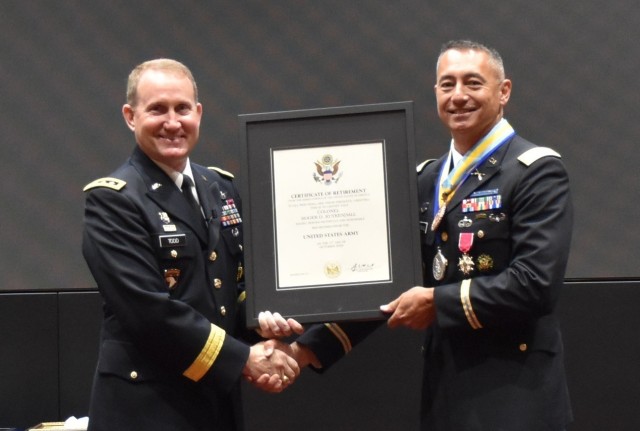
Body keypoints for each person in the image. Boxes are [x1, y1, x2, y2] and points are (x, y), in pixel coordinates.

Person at [276, 40, 574, 430]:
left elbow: (535, 284)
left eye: (473, 83)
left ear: (504, 92)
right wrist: (303, 350)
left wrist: (437, 302)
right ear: (435, 93)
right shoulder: (426, 179)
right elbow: (388, 282)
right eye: (447, 84)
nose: (459, 96)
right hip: (446, 390)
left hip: (516, 394)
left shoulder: (535, 172)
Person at [82, 58, 301, 431]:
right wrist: (244, 359)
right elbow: (150, 314)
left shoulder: (220, 187)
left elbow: (235, 289)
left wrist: (265, 324)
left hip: (215, 404)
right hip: (146, 409)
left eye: (182, 108)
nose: (172, 122)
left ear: (198, 113)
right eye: (157, 110)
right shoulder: (114, 200)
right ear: (130, 116)